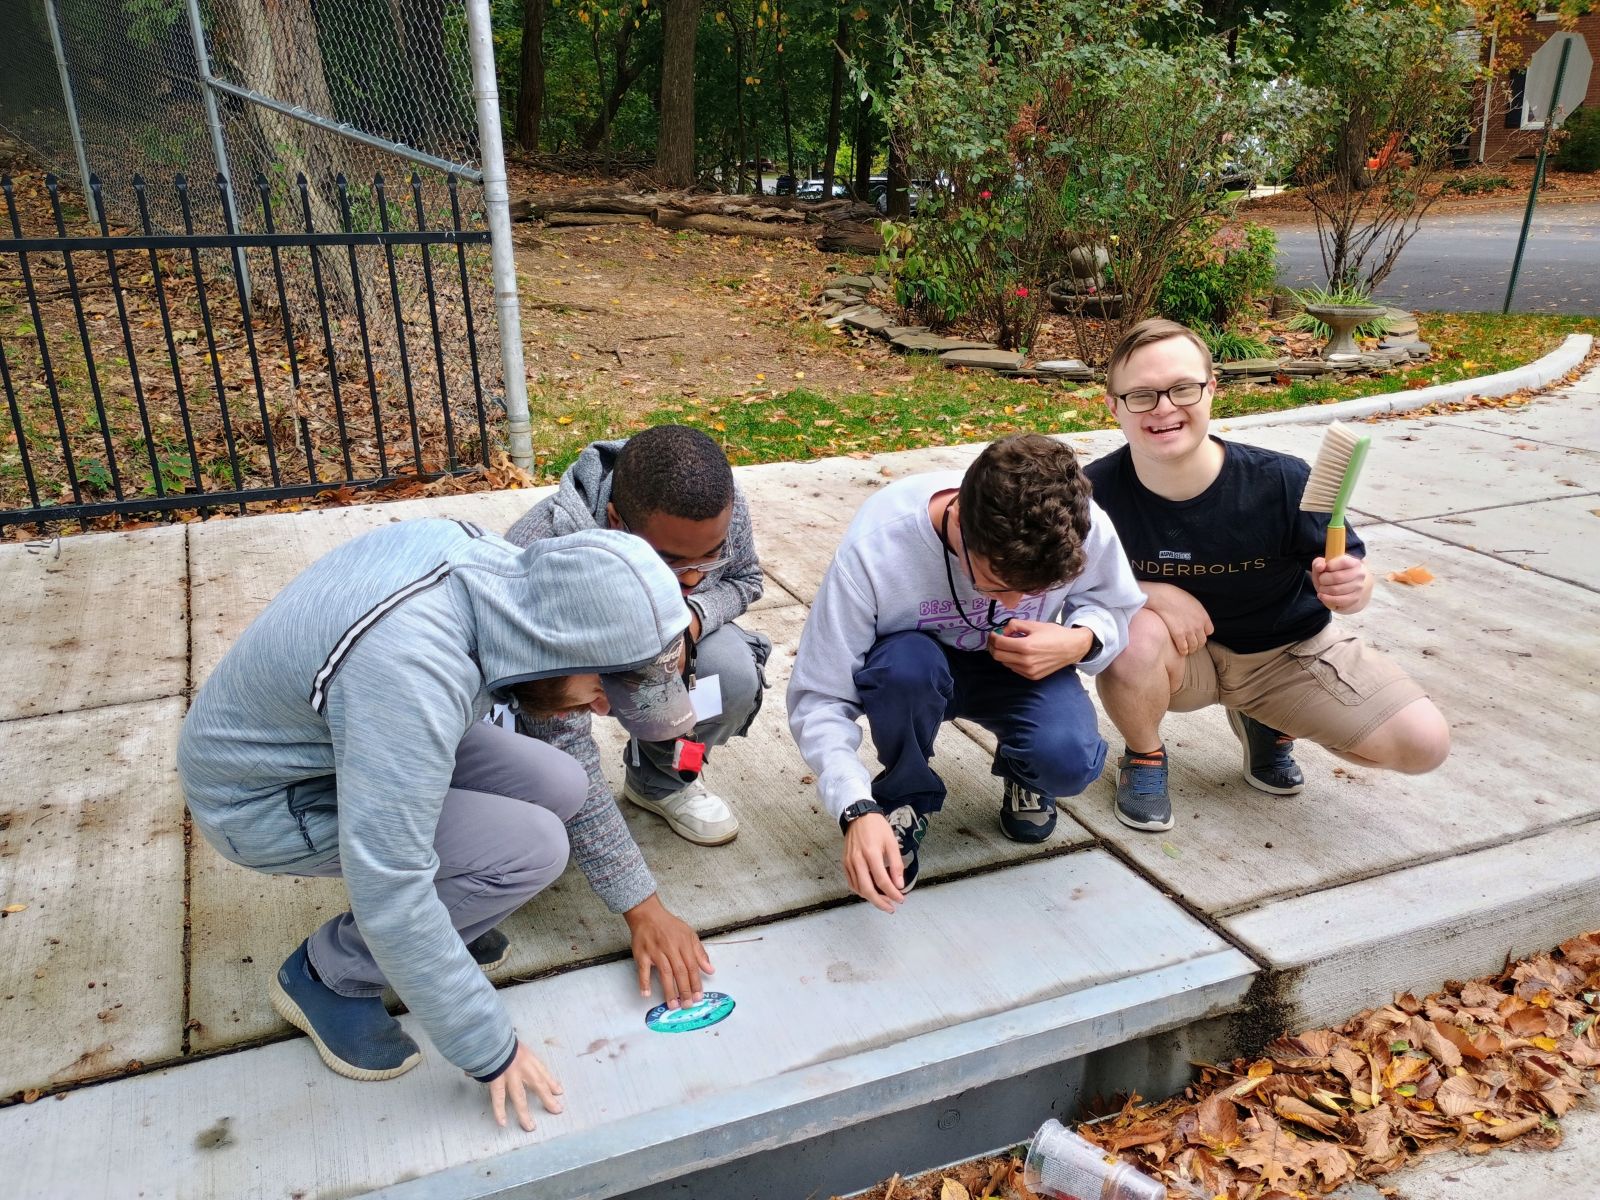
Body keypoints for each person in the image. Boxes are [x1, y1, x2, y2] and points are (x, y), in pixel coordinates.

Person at [176, 518, 704, 1132]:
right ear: (556, 644)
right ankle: (326, 974)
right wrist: (490, 1048)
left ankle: (448, 924)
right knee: (532, 849)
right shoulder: (411, 673)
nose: (602, 706)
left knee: (561, 783)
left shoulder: (497, 578)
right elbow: (392, 886)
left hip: (333, 740)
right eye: (599, 684)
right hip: (264, 798)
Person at [1084, 318, 1451, 834]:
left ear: (1212, 389)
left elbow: (1353, 577)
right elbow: (1062, 588)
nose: (1164, 408)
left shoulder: (1282, 481)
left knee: (1423, 744)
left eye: (1183, 388)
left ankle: (1268, 720)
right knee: (1128, 629)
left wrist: (1353, 587)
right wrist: (1148, 592)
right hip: (1178, 659)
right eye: (1141, 395)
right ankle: (1144, 757)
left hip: (1287, 655)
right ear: (1113, 406)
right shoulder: (1093, 494)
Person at [787, 433, 1146, 912]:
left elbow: (1114, 605)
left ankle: (1025, 772)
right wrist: (854, 807)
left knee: (1069, 760)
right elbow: (819, 696)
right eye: (997, 583)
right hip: (915, 669)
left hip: (1022, 662)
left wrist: (1079, 639)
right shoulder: (878, 544)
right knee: (904, 668)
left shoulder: (1079, 525)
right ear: (960, 521)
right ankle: (902, 797)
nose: (1015, 602)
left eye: (1037, 588)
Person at [506, 424, 770, 847]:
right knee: (557, 798)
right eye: (673, 561)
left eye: (710, 555)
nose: (697, 576)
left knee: (732, 678)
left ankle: (659, 782)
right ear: (615, 522)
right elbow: (552, 719)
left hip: (667, 657)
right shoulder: (543, 552)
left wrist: (692, 620)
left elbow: (746, 580)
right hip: (560, 686)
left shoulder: (720, 508)